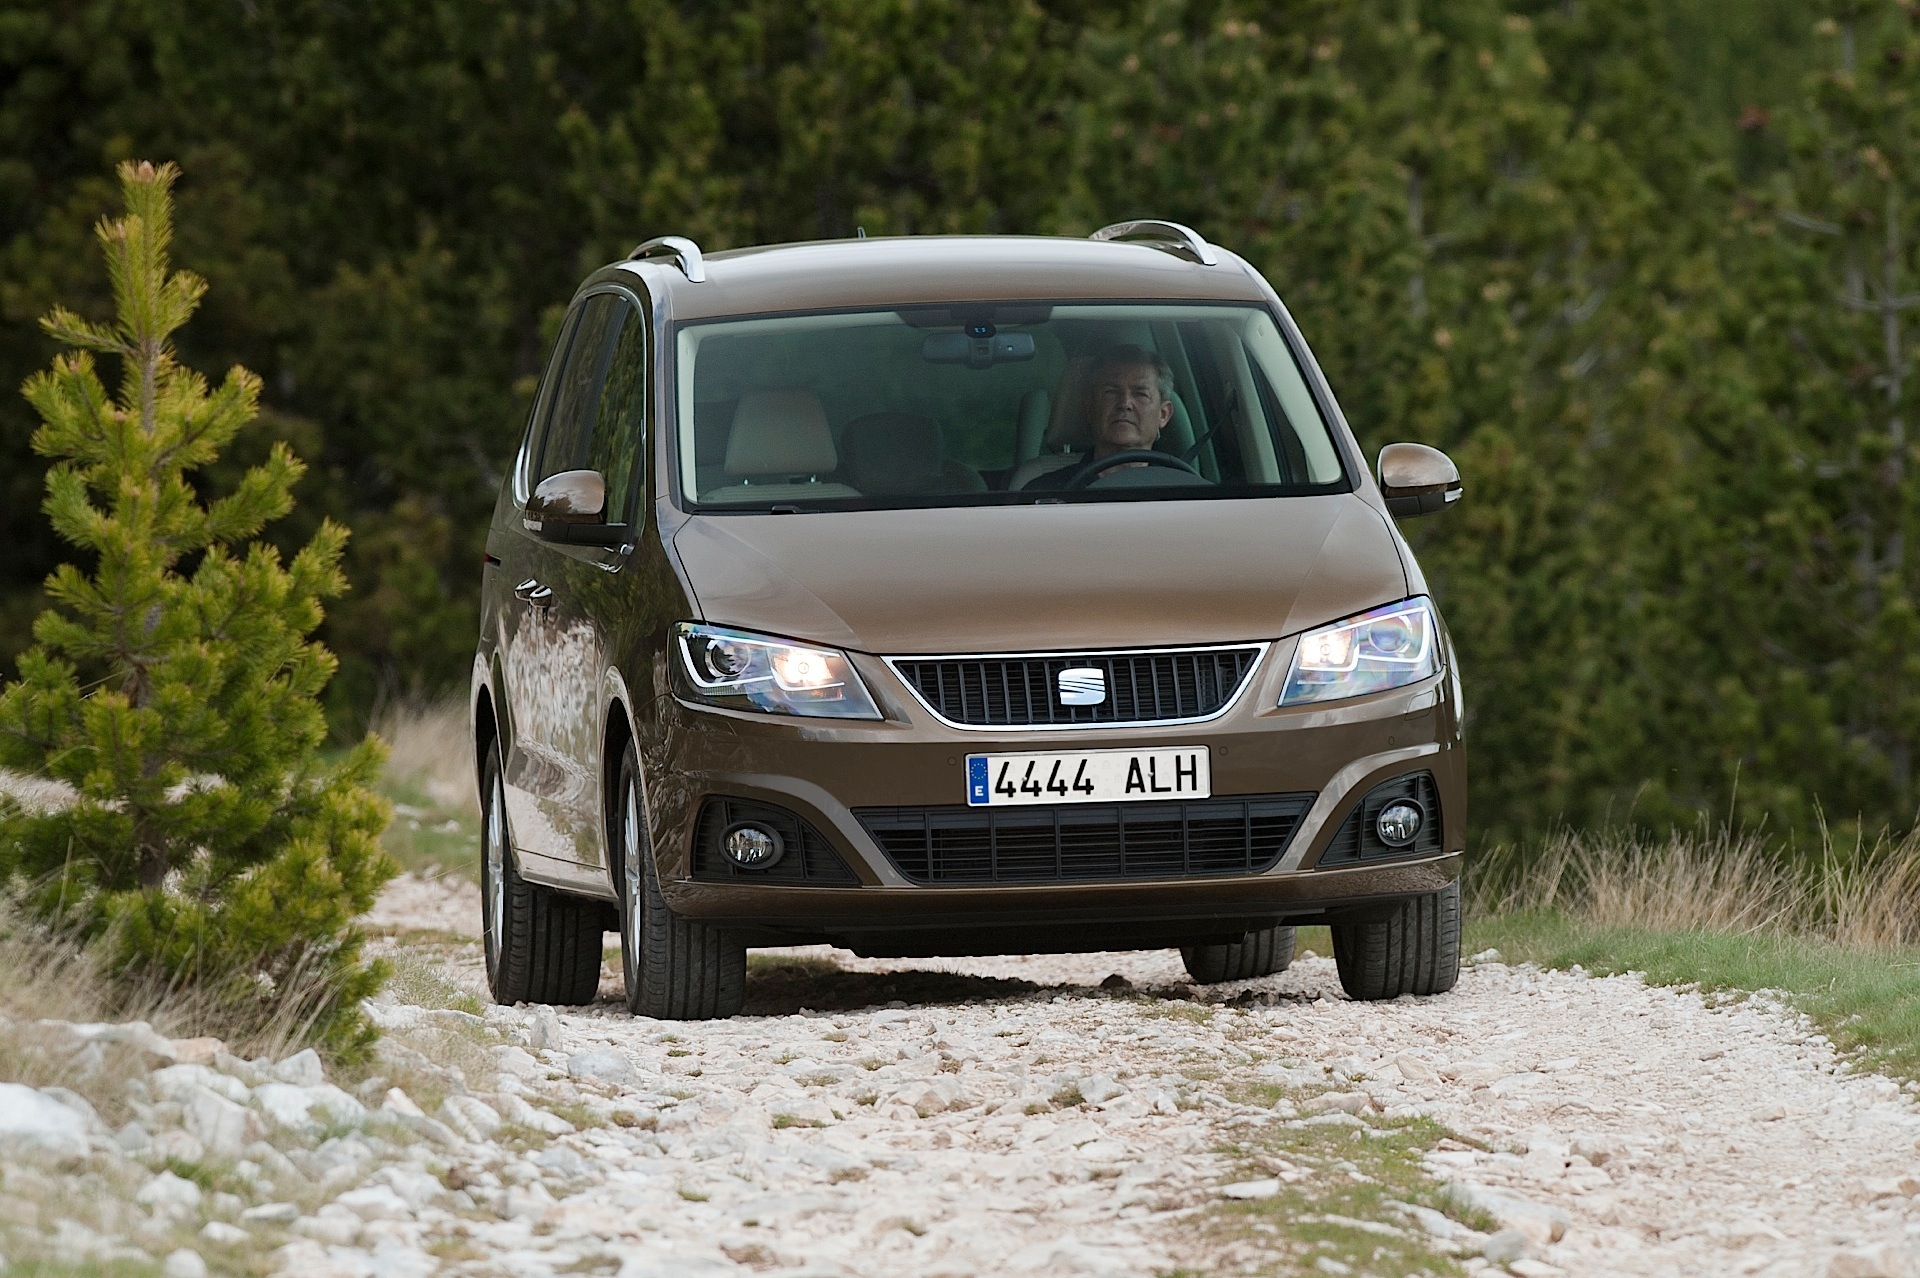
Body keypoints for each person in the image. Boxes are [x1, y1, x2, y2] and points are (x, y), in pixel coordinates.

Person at [1020, 343, 1183, 490]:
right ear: (1089, 408)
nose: (1125, 403)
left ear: (1163, 414)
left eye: (1140, 394)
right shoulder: (1044, 492)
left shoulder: (1188, 493)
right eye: (1111, 392)